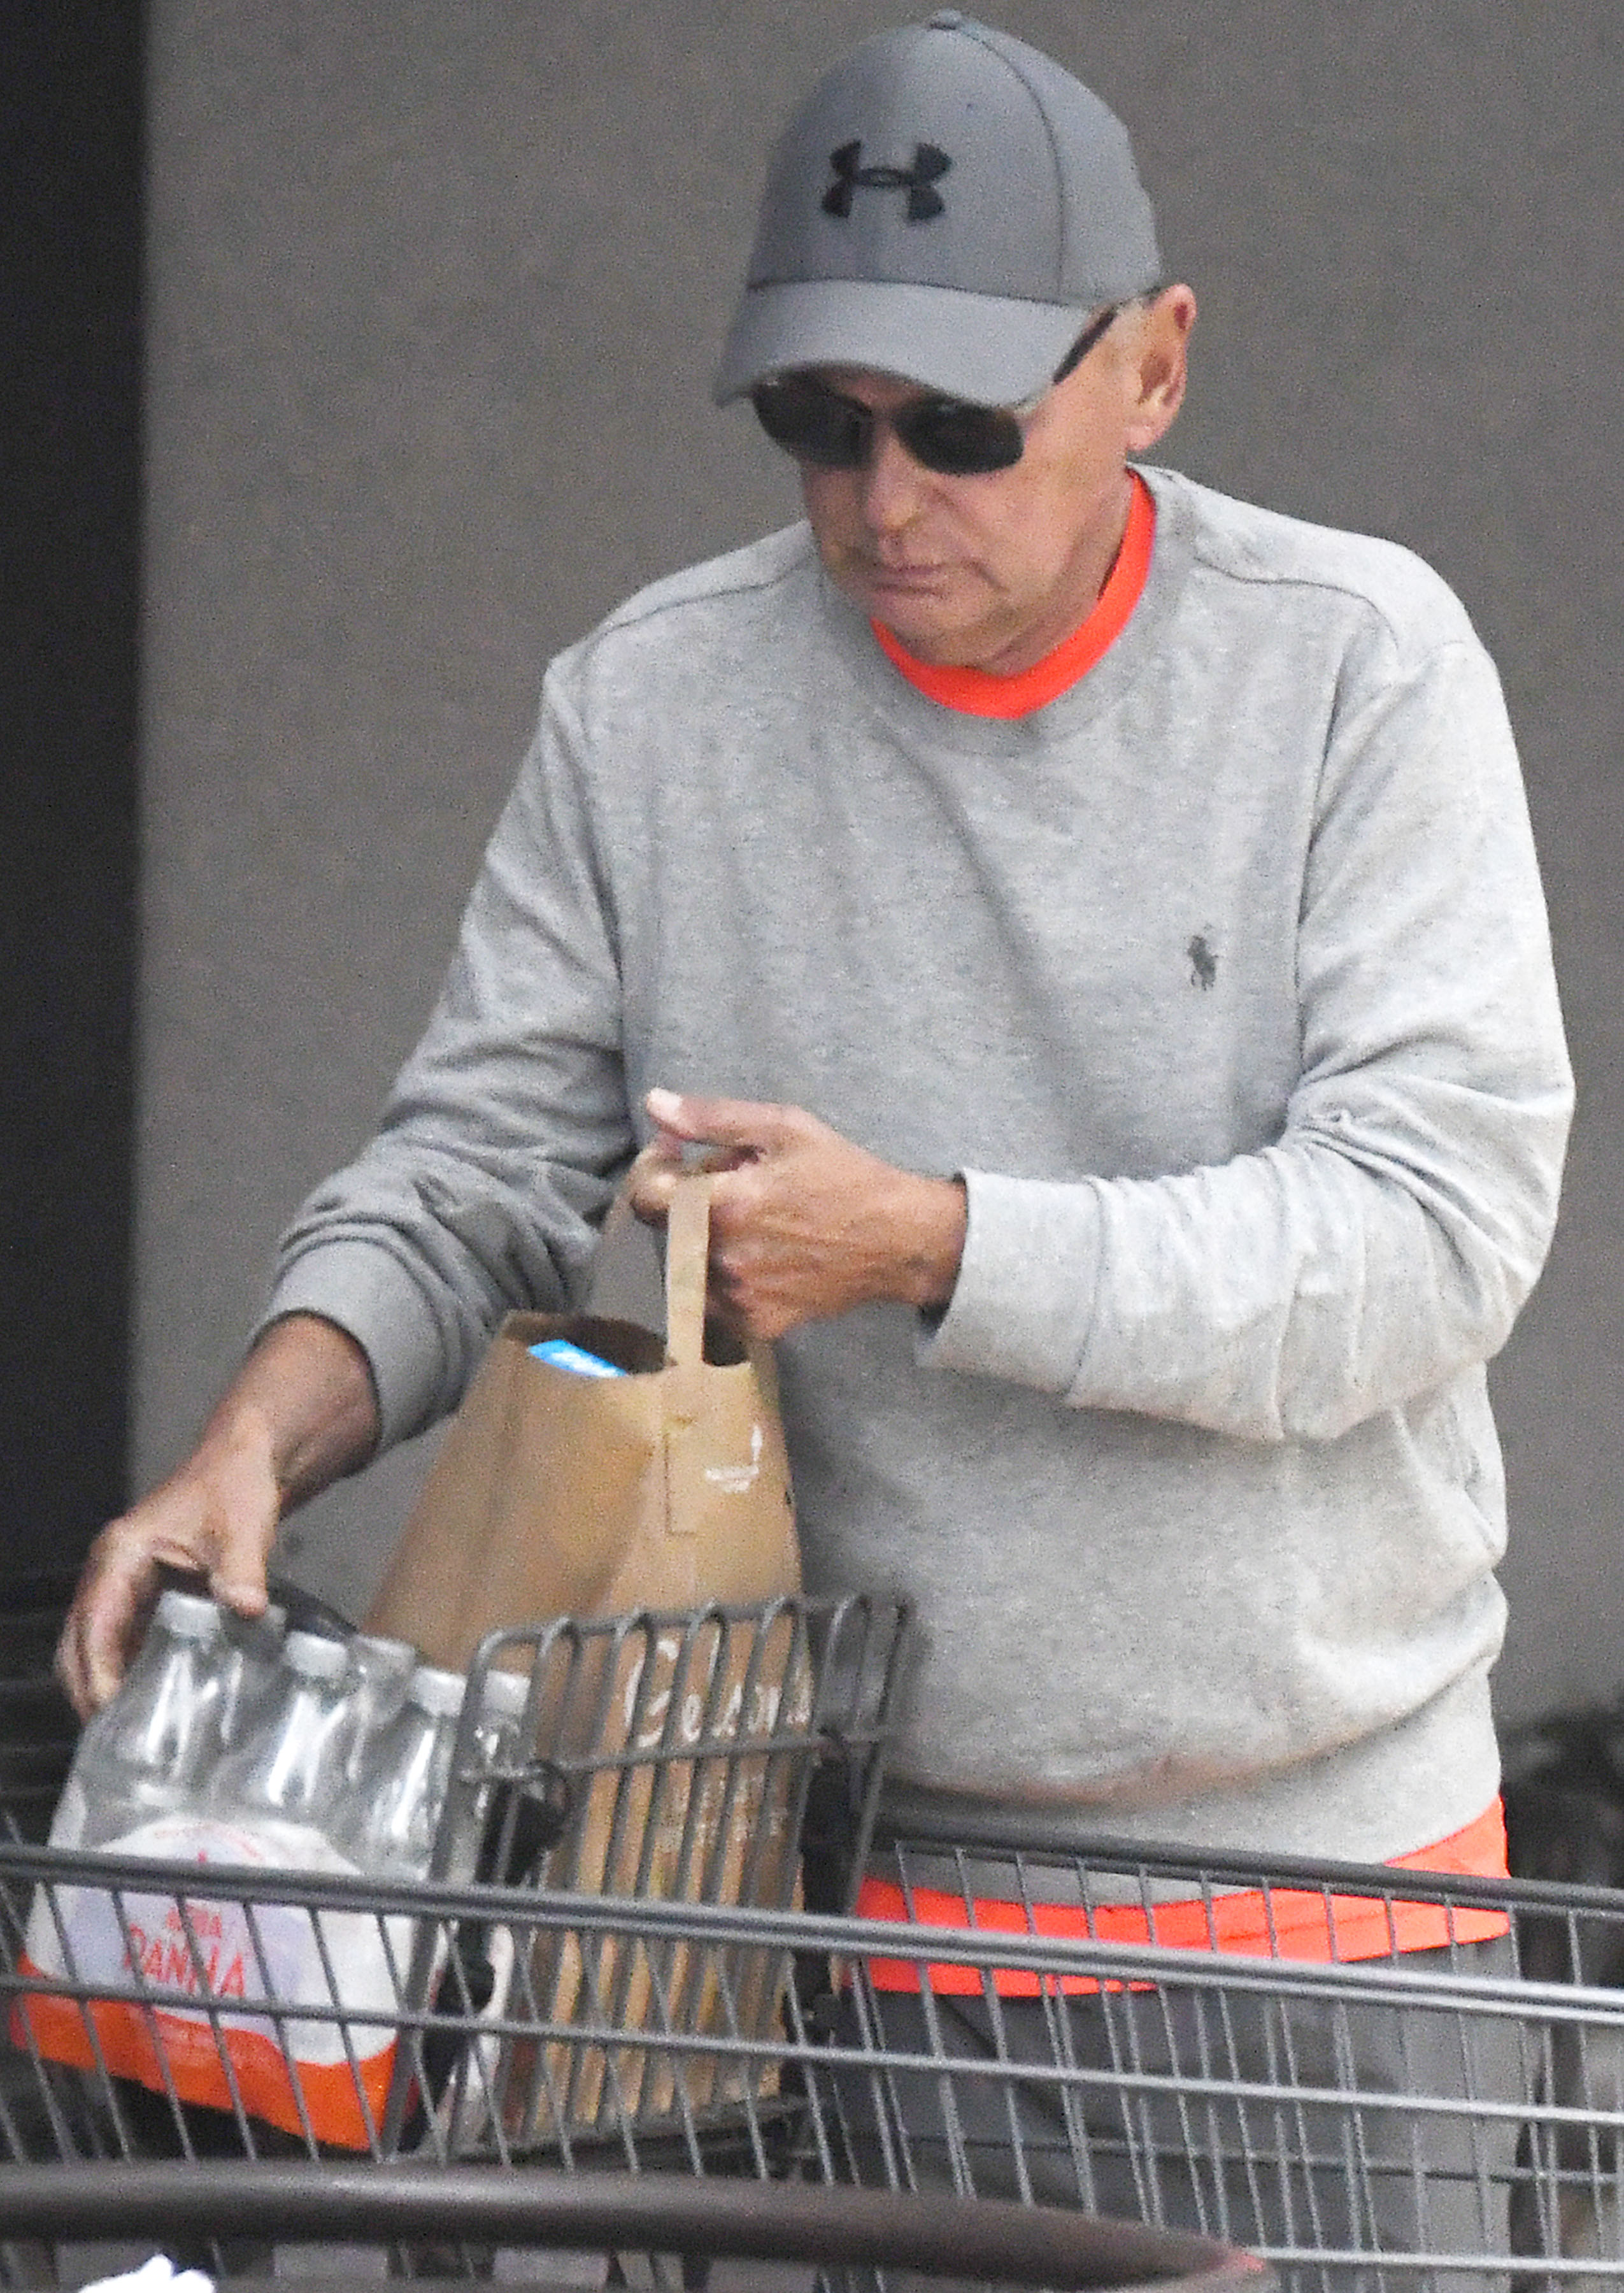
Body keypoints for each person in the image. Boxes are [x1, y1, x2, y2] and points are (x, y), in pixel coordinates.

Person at [57, 13, 1569, 2275]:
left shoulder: (1357, 670)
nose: (885, 497)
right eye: (817, 423)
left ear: (1152, 369)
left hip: (1305, 1941)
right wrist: (269, 1423)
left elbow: (1434, 1230)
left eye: (963, 424)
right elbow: (470, 1165)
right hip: (786, 1928)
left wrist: (935, 1246)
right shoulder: (652, 705)